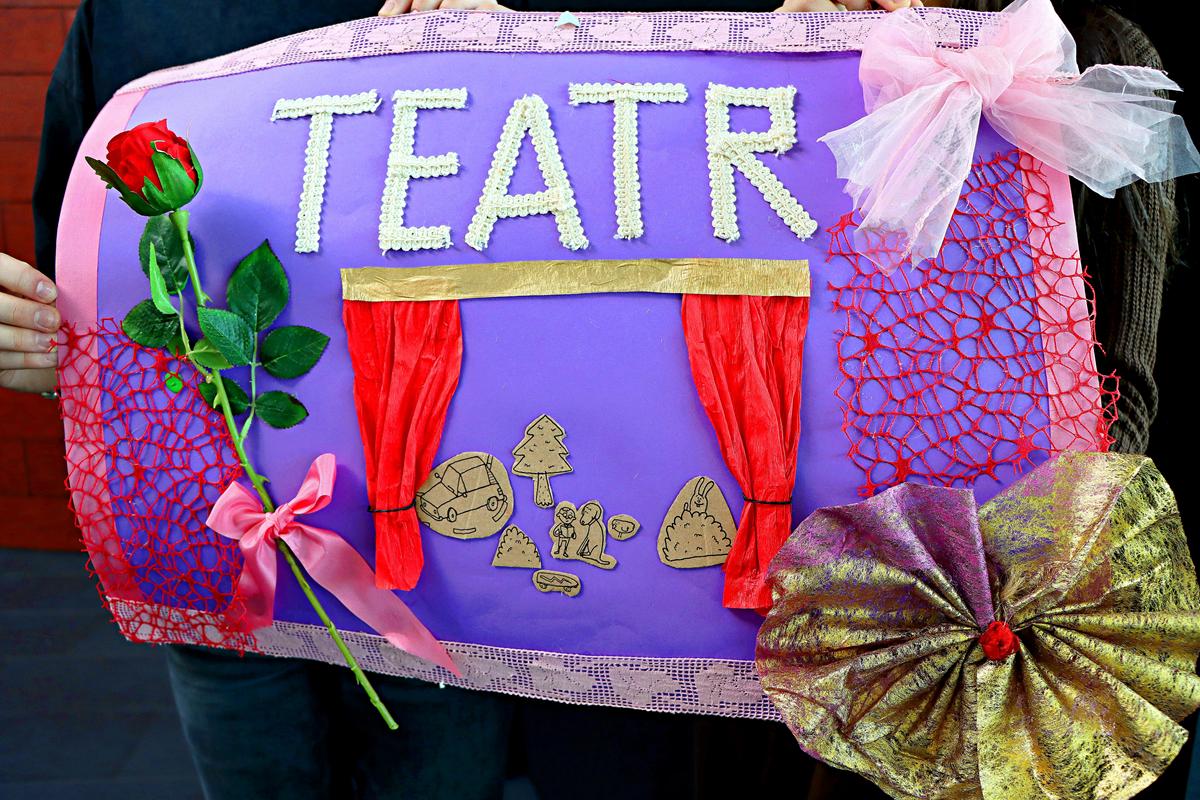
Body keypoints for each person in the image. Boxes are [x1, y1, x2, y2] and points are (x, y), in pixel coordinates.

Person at [0, 0, 1182, 798]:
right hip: (227, 555)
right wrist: (42, 331)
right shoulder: (136, 27)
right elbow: (88, 268)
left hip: (447, 604)